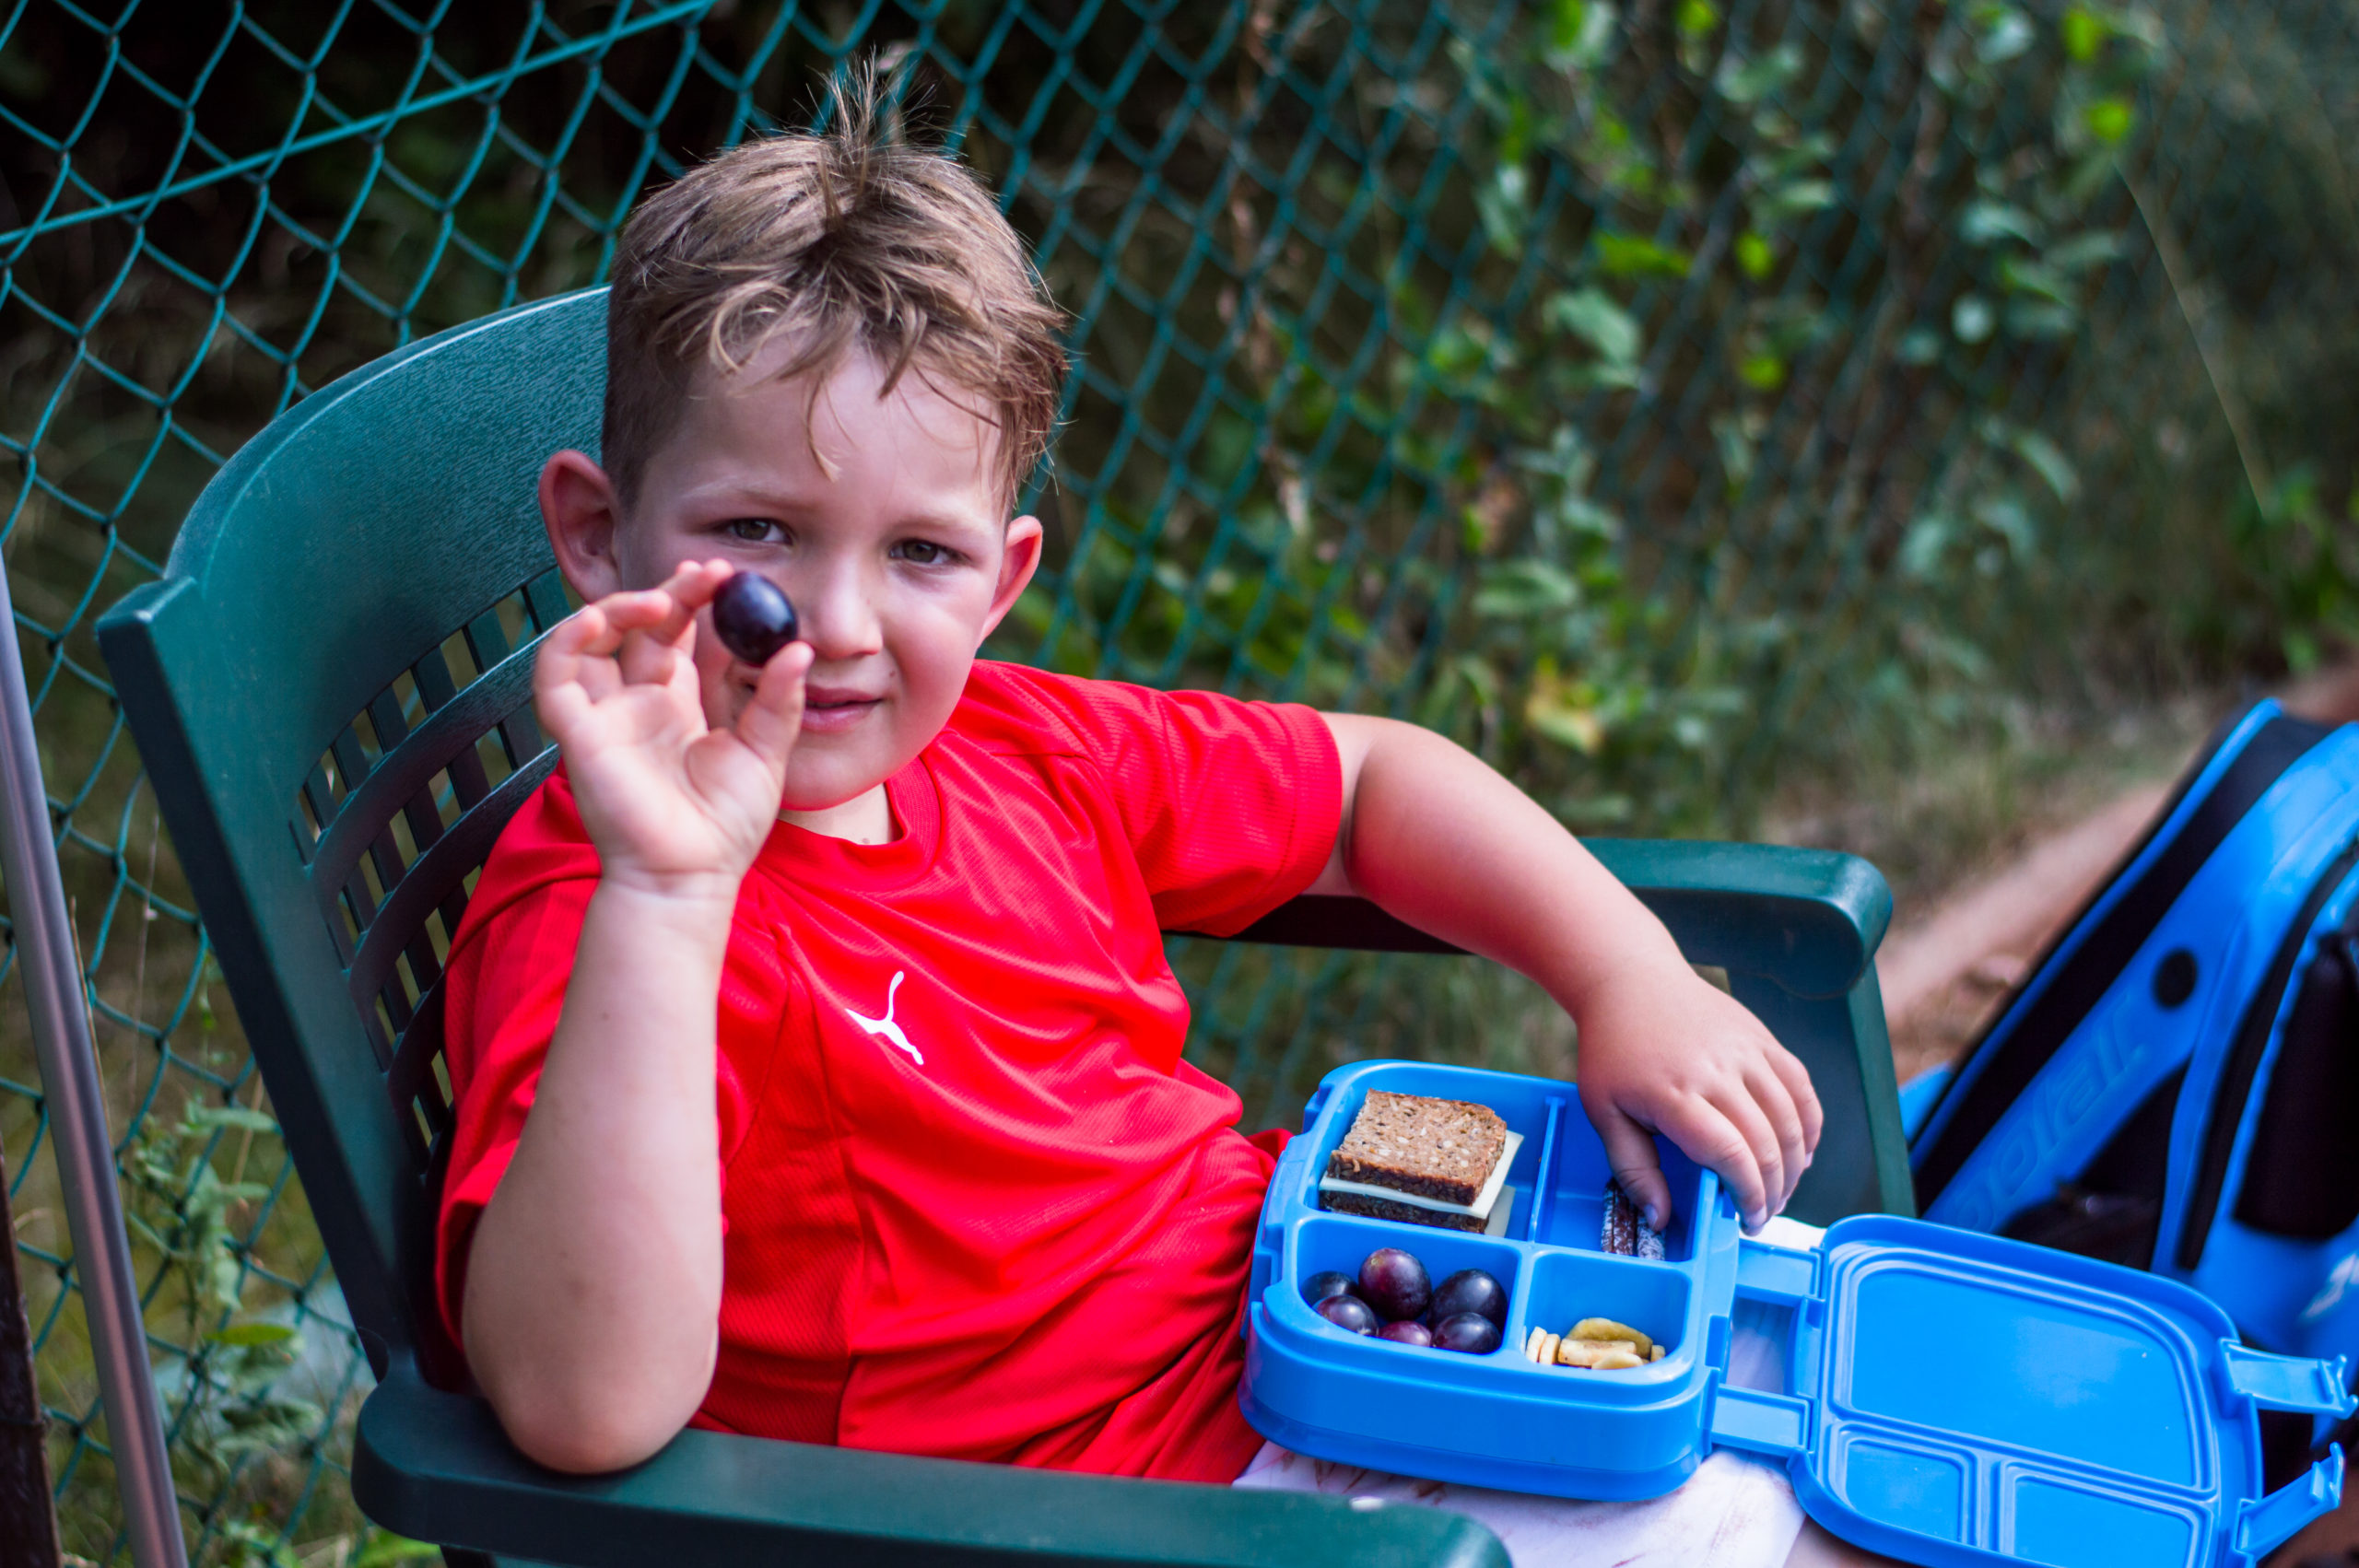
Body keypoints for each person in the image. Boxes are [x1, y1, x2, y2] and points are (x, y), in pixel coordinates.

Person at [435, 76, 1886, 1567]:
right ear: (599, 536)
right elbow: (579, 1405)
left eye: (921, 552)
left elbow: (1366, 783)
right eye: (758, 533)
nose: (842, 623)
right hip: (1145, 1510)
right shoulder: (608, 916)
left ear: (1002, 580)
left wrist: (1623, 971)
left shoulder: (1013, 743)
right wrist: (670, 897)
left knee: (1887, 1386)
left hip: (1323, 1330)